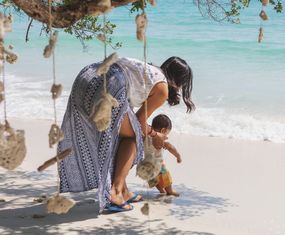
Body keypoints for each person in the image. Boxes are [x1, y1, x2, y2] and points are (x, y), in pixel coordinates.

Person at [57, 56, 194, 213]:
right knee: (134, 136)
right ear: (178, 81)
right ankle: (115, 192)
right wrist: (155, 135)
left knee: (123, 136)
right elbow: (140, 122)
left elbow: (133, 119)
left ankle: (124, 191)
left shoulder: (148, 72)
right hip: (109, 85)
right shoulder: (161, 87)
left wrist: (148, 130)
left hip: (87, 78)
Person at [147, 114, 182, 197]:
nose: (166, 136)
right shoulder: (159, 139)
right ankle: (170, 191)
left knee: (154, 180)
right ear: (163, 131)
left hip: (145, 166)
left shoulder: (146, 135)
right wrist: (178, 156)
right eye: (167, 133)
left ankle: (162, 190)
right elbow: (170, 148)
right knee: (166, 178)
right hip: (158, 165)